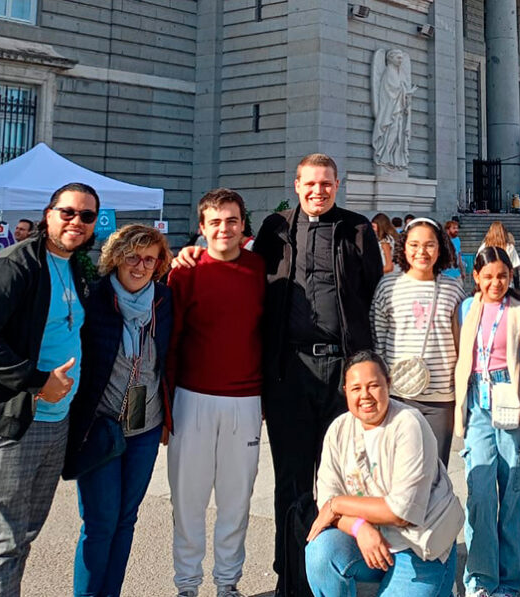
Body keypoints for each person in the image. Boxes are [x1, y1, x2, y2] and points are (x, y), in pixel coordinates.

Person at [244, 153, 382, 595]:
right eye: (310, 184)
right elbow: (248, 275)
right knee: (291, 477)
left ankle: (329, 571)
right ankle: (291, 576)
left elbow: (374, 293)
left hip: (342, 371)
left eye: (326, 184)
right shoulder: (275, 229)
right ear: (297, 184)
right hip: (291, 370)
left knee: (340, 476)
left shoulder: (357, 228)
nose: (317, 191)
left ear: (337, 186)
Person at [0, 182, 98, 597]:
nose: (76, 222)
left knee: (22, 539)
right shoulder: (12, 265)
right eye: (68, 212)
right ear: (48, 214)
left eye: (86, 216)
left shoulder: (74, 264)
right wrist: (38, 381)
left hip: (53, 423)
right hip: (8, 423)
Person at [64, 224, 173, 597]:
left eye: (149, 259)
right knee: (100, 522)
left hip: (145, 425)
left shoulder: (163, 299)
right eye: (132, 257)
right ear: (115, 257)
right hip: (99, 426)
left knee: (126, 520)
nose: (139, 266)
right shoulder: (93, 299)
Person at [167, 189, 265, 597]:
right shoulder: (184, 272)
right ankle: (187, 585)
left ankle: (228, 584)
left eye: (232, 220)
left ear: (243, 225)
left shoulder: (262, 269)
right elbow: (168, 339)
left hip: (246, 400)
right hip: (192, 399)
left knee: (236, 500)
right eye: (215, 222)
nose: (224, 228)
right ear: (202, 228)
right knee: (188, 502)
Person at [305, 351, 464, 597]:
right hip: (371, 542)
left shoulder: (408, 423)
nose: (365, 395)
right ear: (345, 390)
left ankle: (443, 587)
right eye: (356, 388)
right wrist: (359, 527)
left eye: (373, 386)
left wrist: (337, 504)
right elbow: (325, 510)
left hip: (419, 546)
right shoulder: (339, 429)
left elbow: (400, 513)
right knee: (320, 551)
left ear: (388, 384)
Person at [454, 247, 520, 597]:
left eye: (502, 276)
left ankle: (509, 582)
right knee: (480, 495)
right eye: (488, 276)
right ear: (476, 277)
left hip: (514, 403)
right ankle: (480, 580)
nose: (495, 283)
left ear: (511, 277)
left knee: (512, 497)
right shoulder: (467, 309)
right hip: (478, 405)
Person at [371, 218, 466, 465]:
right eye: (414, 244)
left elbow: (462, 342)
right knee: (397, 469)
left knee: (436, 470)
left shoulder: (453, 288)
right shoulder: (388, 286)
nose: (421, 252)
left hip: (440, 397)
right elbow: (378, 339)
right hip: (398, 394)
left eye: (429, 245)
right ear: (403, 247)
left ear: (441, 248)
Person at [477, 221, 520, 289]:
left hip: (487, 283)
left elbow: (478, 265)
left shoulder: (483, 247)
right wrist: (517, 289)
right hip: (505, 283)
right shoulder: (509, 248)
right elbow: (515, 268)